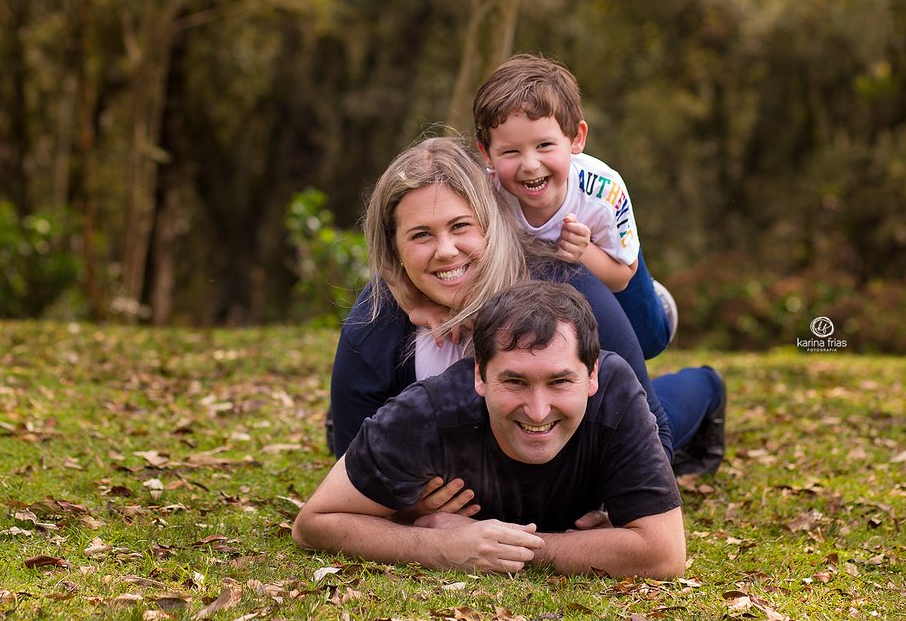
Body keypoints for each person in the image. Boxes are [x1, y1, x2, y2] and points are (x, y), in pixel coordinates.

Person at [330, 136, 725, 477]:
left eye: (461, 226)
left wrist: (608, 500)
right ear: (393, 246)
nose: (446, 251)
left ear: (491, 222)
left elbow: (656, 438)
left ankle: (707, 386)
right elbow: (351, 462)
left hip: (606, 337)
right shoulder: (378, 315)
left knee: (659, 408)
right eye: (420, 235)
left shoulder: (570, 289)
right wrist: (415, 505)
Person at [296, 280, 686, 577]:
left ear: (592, 375)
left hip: (664, 412)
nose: (537, 411)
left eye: (560, 382)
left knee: (688, 400)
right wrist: (438, 547)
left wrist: (499, 547)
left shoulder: (617, 390)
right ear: (480, 376)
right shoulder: (429, 411)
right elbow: (312, 524)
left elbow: (664, 553)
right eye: (515, 382)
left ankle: (710, 387)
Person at [473, 53, 676, 361]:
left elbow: (622, 276)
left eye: (545, 145)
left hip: (608, 254)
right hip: (539, 283)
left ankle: (657, 300)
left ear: (576, 139)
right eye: (511, 151)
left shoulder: (604, 192)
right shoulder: (483, 192)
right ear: (487, 155)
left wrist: (584, 252)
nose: (530, 165)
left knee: (649, 342)